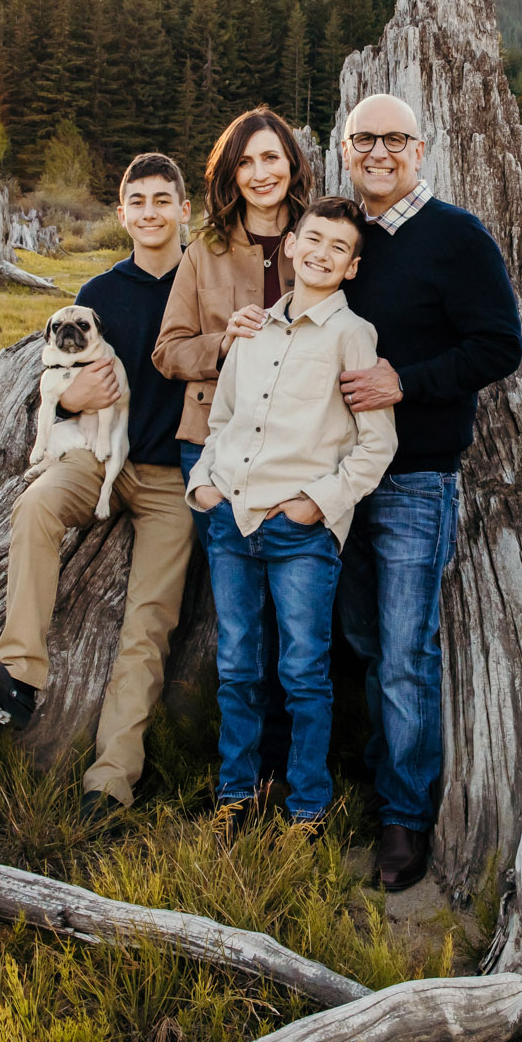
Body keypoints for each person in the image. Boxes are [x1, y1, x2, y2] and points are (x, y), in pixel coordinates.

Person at [0, 154, 195, 812]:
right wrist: (75, 398)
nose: (149, 211)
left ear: (184, 209)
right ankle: (20, 673)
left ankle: (111, 780)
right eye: (136, 200)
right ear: (121, 214)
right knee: (36, 506)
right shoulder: (99, 295)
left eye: (162, 199)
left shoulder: (204, 282)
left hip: (174, 477)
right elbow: (58, 377)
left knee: (148, 624)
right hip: (96, 456)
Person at [335, 93, 522, 890]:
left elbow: (500, 345)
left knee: (407, 651)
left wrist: (401, 384)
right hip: (338, 479)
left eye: (393, 139)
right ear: (345, 150)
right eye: (362, 138)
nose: (378, 151)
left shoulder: (457, 235)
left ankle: (406, 820)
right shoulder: (344, 239)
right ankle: (375, 784)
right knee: (362, 644)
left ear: (420, 148)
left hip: (415, 476)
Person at [188, 196, 396, 829]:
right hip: (229, 521)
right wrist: (204, 486)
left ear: (352, 267)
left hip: (298, 531)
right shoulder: (250, 329)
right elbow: (220, 419)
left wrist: (318, 505)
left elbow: (376, 443)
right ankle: (235, 796)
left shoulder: (353, 336)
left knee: (304, 673)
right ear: (290, 245)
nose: (322, 253)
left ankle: (307, 805)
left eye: (339, 247)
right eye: (313, 239)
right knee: (237, 668)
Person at [153, 107, 313, 790]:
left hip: (302, 455)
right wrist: (224, 343)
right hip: (216, 451)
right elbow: (167, 350)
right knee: (241, 630)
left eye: (271, 158)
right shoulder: (205, 252)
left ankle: (292, 770)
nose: (260, 173)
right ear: (230, 174)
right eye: (245, 162)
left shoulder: (323, 239)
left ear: (293, 165)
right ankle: (237, 784)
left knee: (300, 626)